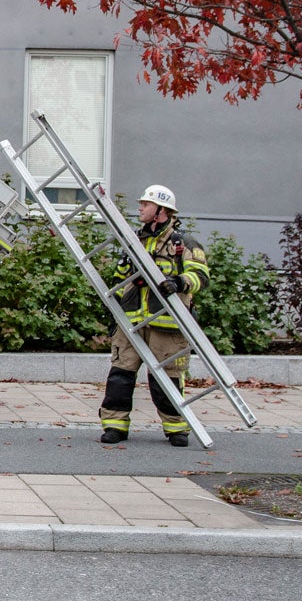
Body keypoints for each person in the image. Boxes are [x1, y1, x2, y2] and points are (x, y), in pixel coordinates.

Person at [100, 184, 209, 447]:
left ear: (161, 211)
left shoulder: (185, 244)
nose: (140, 209)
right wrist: (112, 302)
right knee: (120, 375)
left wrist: (179, 282)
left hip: (168, 325)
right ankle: (115, 425)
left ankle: (176, 428)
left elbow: (201, 277)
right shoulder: (134, 240)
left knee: (167, 379)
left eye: (145, 205)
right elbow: (120, 275)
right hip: (132, 322)